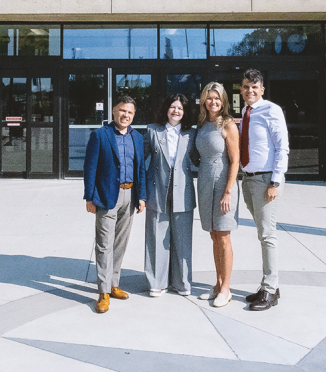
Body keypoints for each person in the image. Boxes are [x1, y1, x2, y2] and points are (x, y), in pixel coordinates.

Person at [83, 96, 146, 314]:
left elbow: (141, 170)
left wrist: (142, 196)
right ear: (113, 111)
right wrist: (89, 198)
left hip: (130, 196)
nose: (125, 115)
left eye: (129, 112)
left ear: (133, 115)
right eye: (121, 111)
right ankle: (102, 292)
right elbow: (90, 168)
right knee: (104, 244)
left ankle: (114, 284)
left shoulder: (137, 137)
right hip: (106, 196)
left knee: (120, 244)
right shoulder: (100, 135)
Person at [239, 68, 289, 311]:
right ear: (242, 88)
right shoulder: (245, 111)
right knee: (262, 232)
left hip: (266, 181)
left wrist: (275, 182)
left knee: (268, 235)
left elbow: (282, 147)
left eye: (254, 87)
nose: (250, 90)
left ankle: (270, 290)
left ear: (262, 90)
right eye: (246, 86)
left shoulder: (272, 110)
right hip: (248, 180)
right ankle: (270, 286)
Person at [143, 94, 197, 297]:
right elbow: (141, 160)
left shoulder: (191, 134)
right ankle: (157, 282)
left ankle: (182, 282)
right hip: (157, 190)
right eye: (173, 107)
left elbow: (199, 159)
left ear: (185, 113)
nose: (176, 111)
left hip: (183, 191)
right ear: (166, 109)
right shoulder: (152, 130)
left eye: (180, 108)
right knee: (156, 237)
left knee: (182, 239)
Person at [195, 82, 240, 308]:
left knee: (223, 235)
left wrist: (228, 192)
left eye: (217, 98)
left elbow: (235, 161)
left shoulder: (228, 125)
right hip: (204, 180)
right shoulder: (203, 124)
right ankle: (217, 283)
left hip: (223, 182)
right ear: (204, 100)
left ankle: (226, 288)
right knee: (213, 235)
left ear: (223, 101)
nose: (213, 102)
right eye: (209, 98)